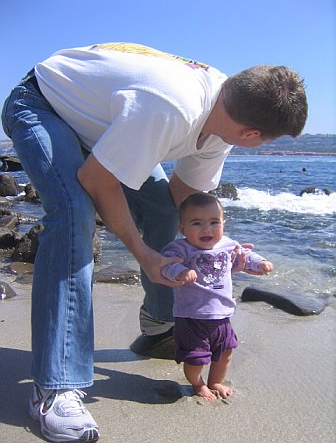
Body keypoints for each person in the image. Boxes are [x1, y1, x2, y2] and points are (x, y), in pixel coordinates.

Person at [1, 42, 307, 442]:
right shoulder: (170, 107)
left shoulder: (221, 119)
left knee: (164, 211)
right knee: (74, 217)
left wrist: (219, 243)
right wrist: (144, 255)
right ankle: (55, 388)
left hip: (103, 125)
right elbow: (97, 179)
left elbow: (185, 199)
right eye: (267, 141)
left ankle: (160, 324)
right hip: (42, 103)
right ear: (252, 133)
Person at [161, 193, 273, 400]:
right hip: (191, 316)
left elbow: (246, 257)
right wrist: (179, 271)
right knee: (196, 358)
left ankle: (215, 381)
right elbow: (165, 265)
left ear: (223, 223)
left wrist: (260, 263)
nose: (207, 229)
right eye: (197, 223)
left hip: (222, 315)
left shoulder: (228, 245)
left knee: (226, 352)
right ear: (182, 228)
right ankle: (197, 383)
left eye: (214, 222)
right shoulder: (181, 248)